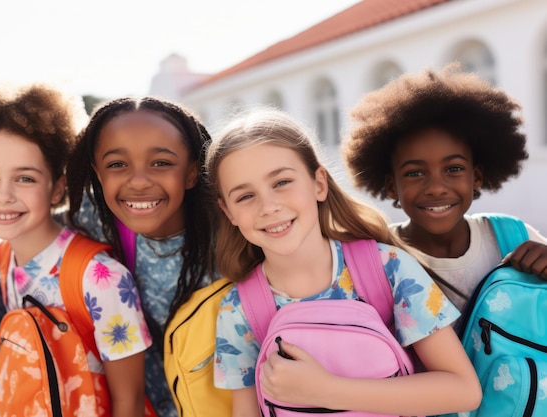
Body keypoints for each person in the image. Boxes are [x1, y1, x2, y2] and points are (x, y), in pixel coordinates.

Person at [0, 95, 219, 417]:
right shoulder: (82, 219)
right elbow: (17, 251)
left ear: (56, 188)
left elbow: (130, 401)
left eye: (25, 178)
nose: (4, 195)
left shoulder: (103, 278)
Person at [205, 108, 482, 417]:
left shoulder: (388, 268)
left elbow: (463, 391)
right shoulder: (238, 309)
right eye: (245, 197)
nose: (269, 206)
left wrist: (326, 391)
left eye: (282, 182)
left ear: (319, 183)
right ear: (228, 212)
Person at [341, 64, 547, 313]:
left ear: (477, 176)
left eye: (454, 169)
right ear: (391, 186)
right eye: (414, 173)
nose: (436, 188)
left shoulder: (512, 236)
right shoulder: (378, 258)